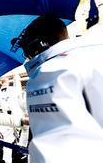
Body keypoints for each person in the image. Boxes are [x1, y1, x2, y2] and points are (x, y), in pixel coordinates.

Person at [11, 14, 103, 163]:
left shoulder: (49, 71)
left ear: (38, 45)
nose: (27, 57)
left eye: (26, 49)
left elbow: (54, 152)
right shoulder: (94, 54)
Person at [0, 79, 29, 163]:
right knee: (25, 129)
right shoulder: (14, 89)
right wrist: (25, 112)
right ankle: (21, 148)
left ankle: (6, 160)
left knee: (8, 139)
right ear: (7, 82)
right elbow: (21, 102)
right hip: (19, 117)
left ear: (1, 83)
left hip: (7, 119)